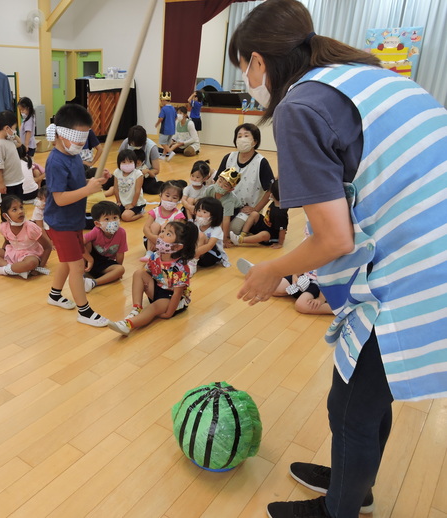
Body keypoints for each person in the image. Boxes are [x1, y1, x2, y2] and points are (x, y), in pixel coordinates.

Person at [229, 0, 447, 516]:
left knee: (350, 406)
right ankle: (354, 483)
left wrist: (269, 273)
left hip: (415, 263)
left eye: (244, 68)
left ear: (258, 61)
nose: (248, 81)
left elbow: (334, 239)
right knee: (366, 395)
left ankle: (341, 509)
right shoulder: (362, 74)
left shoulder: (300, 107)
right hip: (426, 245)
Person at [43, 103, 109, 327]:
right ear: (61, 134)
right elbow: (60, 198)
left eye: (84, 138)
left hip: (73, 220)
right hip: (60, 223)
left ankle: (54, 294)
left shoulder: (72, 155)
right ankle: (84, 311)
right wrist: (88, 190)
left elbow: (79, 180)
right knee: (77, 266)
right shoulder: (55, 162)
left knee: (66, 261)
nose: (82, 143)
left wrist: (95, 179)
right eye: (78, 138)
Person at [108, 220, 198, 335]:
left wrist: (169, 313)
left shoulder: (180, 268)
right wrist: (146, 284)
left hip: (171, 299)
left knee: (152, 308)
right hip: (158, 289)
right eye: (163, 231)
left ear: (177, 247)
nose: (161, 234)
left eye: (168, 234)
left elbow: (177, 293)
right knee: (138, 273)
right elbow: (149, 273)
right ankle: (136, 309)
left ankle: (128, 324)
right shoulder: (156, 255)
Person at [215, 123, 275, 234]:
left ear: (255, 141)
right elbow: (216, 182)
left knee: (234, 229)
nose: (242, 139)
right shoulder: (228, 158)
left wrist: (255, 209)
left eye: (246, 136)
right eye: (239, 136)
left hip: (245, 209)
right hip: (225, 204)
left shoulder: (261, 162)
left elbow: (271, 189)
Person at [0, 195, 51, 278]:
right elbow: (7, 242)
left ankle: (0, 270)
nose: (20, 211)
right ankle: (15, 270)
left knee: (31, 263)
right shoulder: (4, 227)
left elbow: (48, 247)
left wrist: (40, 267)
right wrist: (3, 255)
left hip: (30, 255)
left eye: (21, 207)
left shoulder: (30, 227)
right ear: (5, 216)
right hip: (13, 252)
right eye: (14, 209)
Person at [230, 179, 288, 248]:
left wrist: (280, 243)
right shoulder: (275, 202)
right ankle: (242, 234)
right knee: (254, 214)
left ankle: (240, 240)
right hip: (266, 224)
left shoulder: (280, 214)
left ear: (272, 195)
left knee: (264, 234)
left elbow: (282, 230)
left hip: (272, 236)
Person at [83, 201, 127, 292]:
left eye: (115, 218)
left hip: (105, 263)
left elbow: (120, 253)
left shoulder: (121, 232)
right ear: (97, 223)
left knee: (120, 269)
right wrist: (89, 259)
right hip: (90, 260)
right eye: (107, 219)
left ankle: (93, 283)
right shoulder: (96, 231)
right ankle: (82, 272)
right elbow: (78, 243)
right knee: (87, 243)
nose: (112, 222)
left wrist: (117, 271)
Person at [118, 125, 162, 194]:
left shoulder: (152, 147)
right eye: (133, 144)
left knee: (150, 188)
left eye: (138, 145)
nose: (135, 146)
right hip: (128, 175)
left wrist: (146, 172)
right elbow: (119, 162)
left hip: (145, 176)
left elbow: (156, 170)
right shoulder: (126, 143)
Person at [143, 180, 185, 252]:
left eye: (174, 198)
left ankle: (163, 252)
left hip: (169, 244)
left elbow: (176, 235)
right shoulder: (155, 211)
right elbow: (145, 228)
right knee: (154, 226)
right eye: (167, 196)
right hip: (151, 241)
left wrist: (161, 241)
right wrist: (153, 238)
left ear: (179, 200)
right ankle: (149, 253)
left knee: (166, 227)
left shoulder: (178, 215)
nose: (170, 199)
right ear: (161, 195)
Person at [205, 168, 241, 249]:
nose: (220, 186)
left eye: (225, 185)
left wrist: (224, 239)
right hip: (216, 207)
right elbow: (202, 203)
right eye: (220, 181)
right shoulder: (210, 189)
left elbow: (226, 220)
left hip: (233, 209)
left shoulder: (229, 200)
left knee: (219, 222)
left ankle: (214, 238)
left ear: (231, 189)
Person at [0, 110, 25, 198]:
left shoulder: (9, 140)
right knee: (9, 207)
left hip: (17, 181)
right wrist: (1, 183)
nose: (15, 131)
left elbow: (20, 143)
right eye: (14, 128)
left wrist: (14, 135)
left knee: (18, 204)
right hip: (8, 184)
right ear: (7, 128)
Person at [194, 197, 228, 269]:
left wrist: (192, 254)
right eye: (199, 210)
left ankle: (192, 262)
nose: (200, 214)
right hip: (196, 252)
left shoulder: (216, 229)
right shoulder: (196, 224)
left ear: (214, 216)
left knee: (201, 236)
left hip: (210, 256)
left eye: (204, 212)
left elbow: (210, 246)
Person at [113, 149, 146, 222]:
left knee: (125, 217)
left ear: (135, 162)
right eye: (124, 162)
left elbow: (137, 191)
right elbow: (116, 188)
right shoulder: (117, 172)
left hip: (136, 203)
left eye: (130, 161)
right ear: (119, 163)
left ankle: (140, 213)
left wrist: (132, 204)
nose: (127, 164)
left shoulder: (138, 174)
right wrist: (118, 201)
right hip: (122, 202)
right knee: (113, 214)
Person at [156, 92, 177, 160]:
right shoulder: (173, 108)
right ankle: (163, 155)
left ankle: (170, 152)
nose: (161, 102)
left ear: (164, 100)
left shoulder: (164, 109)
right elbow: (176, 117)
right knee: (167, 143)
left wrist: (157, 124)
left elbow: (161, 118)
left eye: (161, 101)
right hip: (172, 129)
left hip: (165, 129)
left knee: (162, 143)